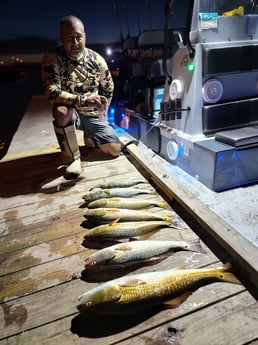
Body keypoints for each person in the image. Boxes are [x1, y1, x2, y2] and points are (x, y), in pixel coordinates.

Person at [41, 15, 121, 179]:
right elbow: (51, 91)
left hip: (92, 114)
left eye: (78, 37)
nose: (75, 42)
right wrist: (83, 100)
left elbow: (108, 87)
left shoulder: (97, 59)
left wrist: (103, 111)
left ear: (85, 36)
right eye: (70, 38)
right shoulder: (52, 58)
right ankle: (72, 158)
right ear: (61, 38)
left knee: (115, 150)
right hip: (71, 112)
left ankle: (89, 135)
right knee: (61, 112)